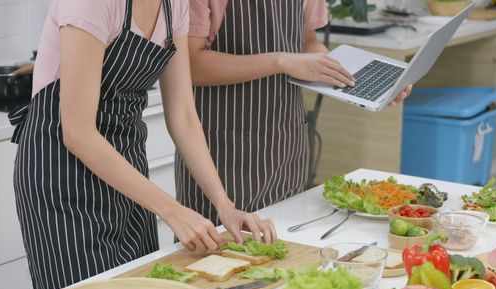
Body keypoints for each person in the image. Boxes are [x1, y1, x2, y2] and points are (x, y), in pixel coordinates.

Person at [8, 0, 274, 289]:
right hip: (60, 173)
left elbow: (183, 114)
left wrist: (223, 204)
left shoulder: (175, 5)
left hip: (128, 171)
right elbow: (78, 133)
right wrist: (172, 210)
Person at [176, 0, 412, 225]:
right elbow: (190, 64)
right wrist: (279, 61)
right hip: (223, 153)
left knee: (286, 250)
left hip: (286, 145)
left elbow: (308, 42)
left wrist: (362, 80)